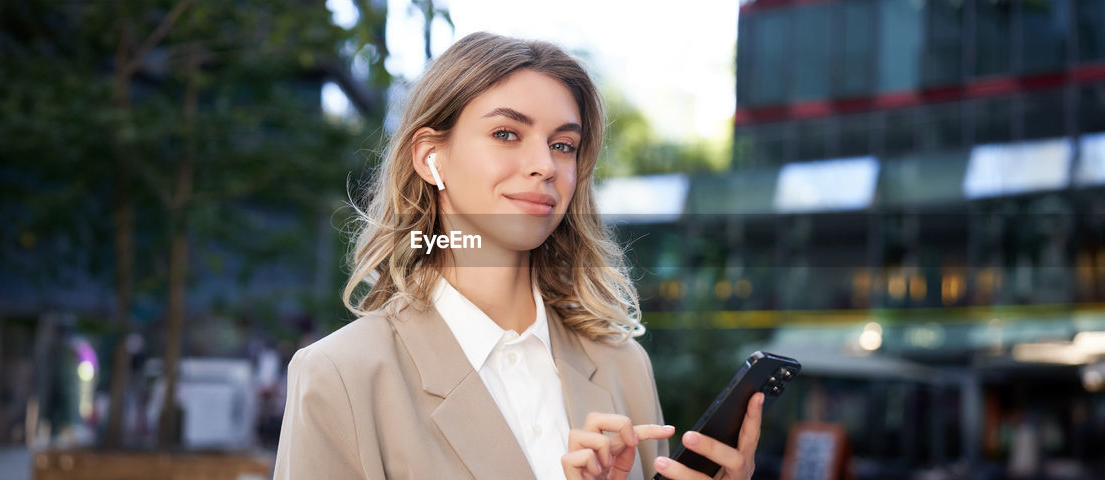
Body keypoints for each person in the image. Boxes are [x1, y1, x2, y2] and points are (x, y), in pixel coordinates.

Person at [273, 32, 764, 480]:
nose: (544, 165)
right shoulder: (339, 376)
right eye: (507, 133)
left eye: (563, 145)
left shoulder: (622, 365)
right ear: (430, 158)